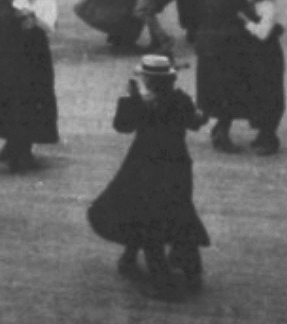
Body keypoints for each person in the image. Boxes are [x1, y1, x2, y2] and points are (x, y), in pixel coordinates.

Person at [86, 55, 210, 300]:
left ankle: (161, 281)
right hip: (176, 164)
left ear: (147, 80)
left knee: (144, 217)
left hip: (144, 164)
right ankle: (190, 270)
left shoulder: (142, 104)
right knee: (178, 213)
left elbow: (122, 126)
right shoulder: (179, 99)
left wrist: (132, 97)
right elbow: (196, 122)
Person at [0, 0, 60, 173]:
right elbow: (35, 44)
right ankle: (17, 155)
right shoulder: (22, 17)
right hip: (18, 73)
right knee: (18, 111)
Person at [194, 0, 256, 153]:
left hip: (208, 45)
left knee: (216, 90)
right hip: (227, 48)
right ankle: (222, 133)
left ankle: (217, 126)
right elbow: (242, 18)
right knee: (229, 91)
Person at [240, 0, 286, 155]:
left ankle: (269, 137)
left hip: (268, 56)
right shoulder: (257, 3)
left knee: (270, 93)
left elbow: (262, 33)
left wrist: (245, 21)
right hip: (258, 55)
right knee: (259, 92)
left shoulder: (268, 7)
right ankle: (263, 133)